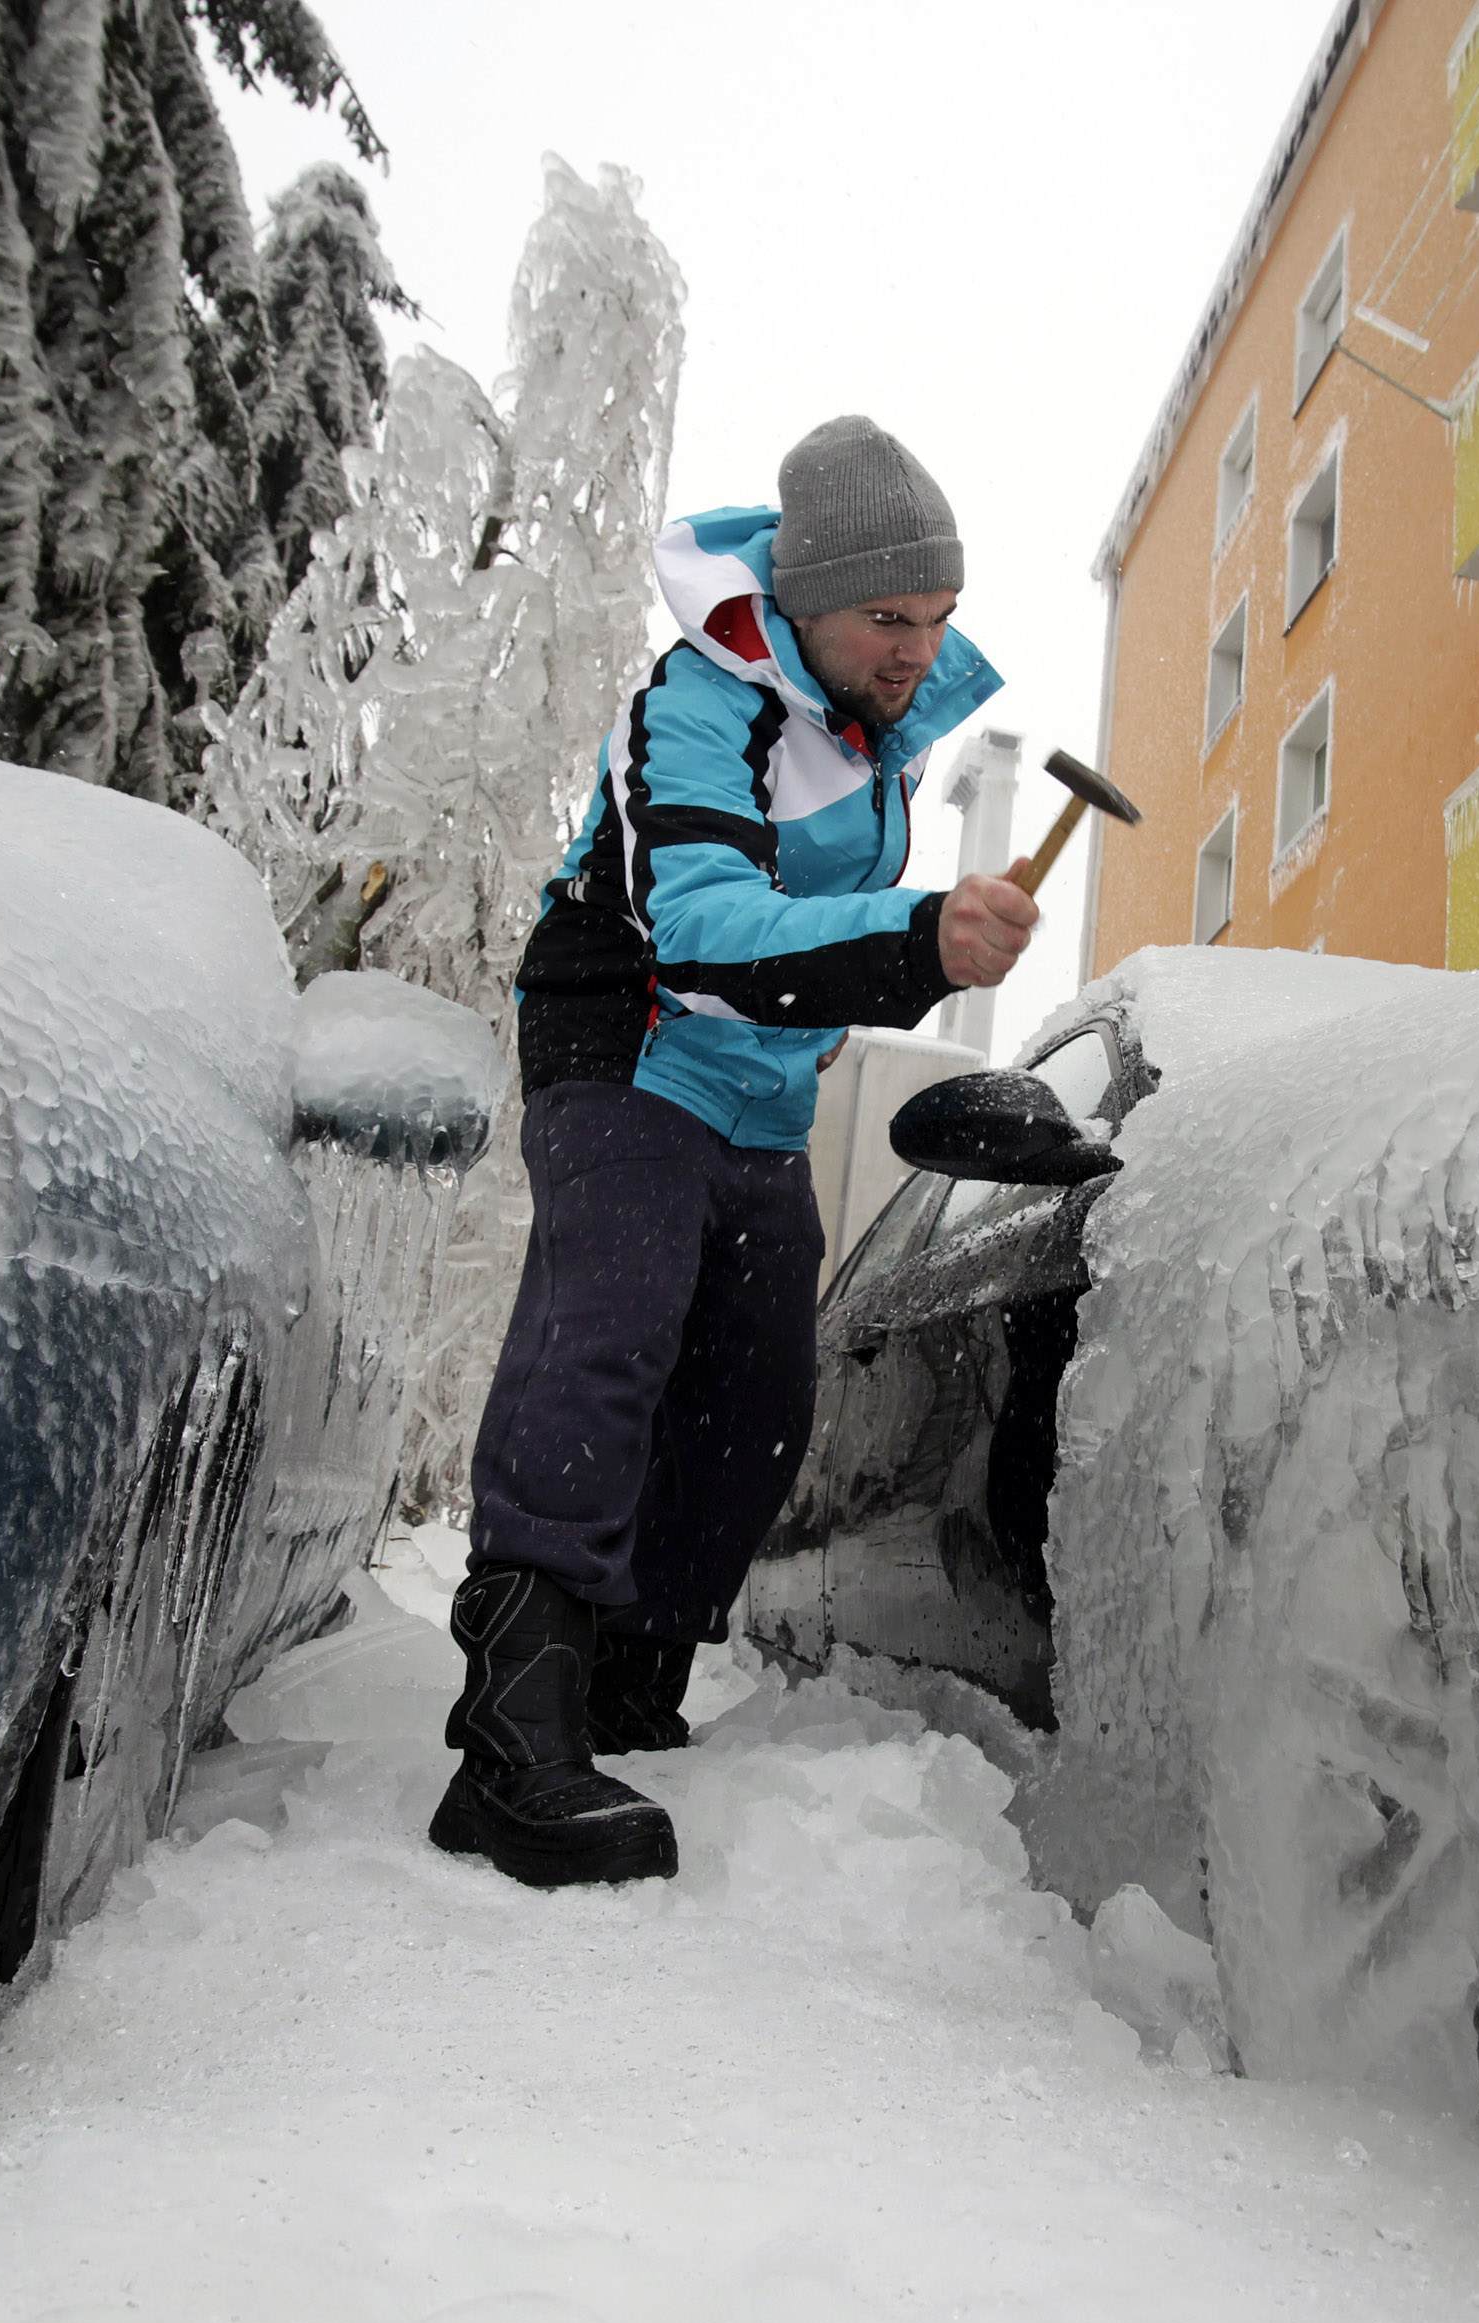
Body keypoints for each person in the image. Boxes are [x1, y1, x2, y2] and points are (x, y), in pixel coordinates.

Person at [429, 416, 1039, 1888]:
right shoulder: (700, 701)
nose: (915, 650)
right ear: (804, 601)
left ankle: (632, 1680)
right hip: (631, 1043)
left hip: (757, 1093)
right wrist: (914, 937)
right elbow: (697, 930)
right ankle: (511, 1737)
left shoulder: (874, 735)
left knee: (757, 1390)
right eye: (889, 619)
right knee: (611, 1331)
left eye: (937, 621)